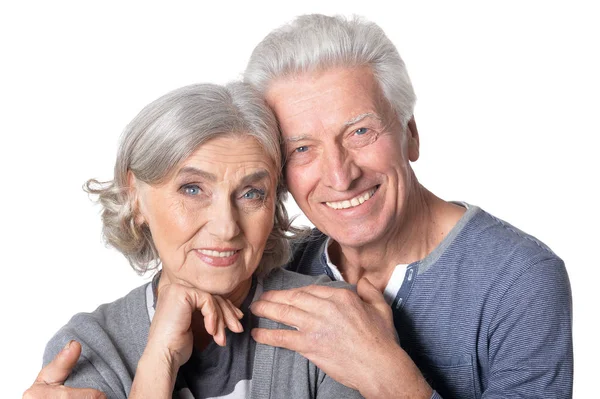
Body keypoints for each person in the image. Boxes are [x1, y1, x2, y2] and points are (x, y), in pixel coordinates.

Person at [25, 14, 573, 399]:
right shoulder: (290, 262)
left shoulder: (519, 278)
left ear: (410, 134)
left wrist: (389, 376)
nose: (338, 174)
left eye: (360, 131)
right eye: (302, 149)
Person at [23, 82, 362, 399]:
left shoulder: (330, 318)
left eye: (251, 193)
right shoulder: (91, 347)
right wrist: (159, 359)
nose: (227, 227)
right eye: (193, 189)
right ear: (135, 196)